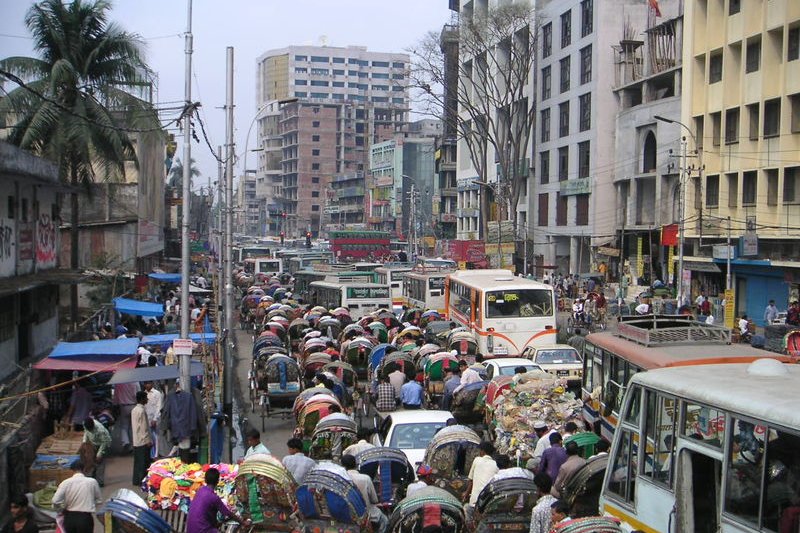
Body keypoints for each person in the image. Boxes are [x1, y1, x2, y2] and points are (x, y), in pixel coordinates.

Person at [186, 468, 250, 533]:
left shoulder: (200, 491)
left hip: (190, 529)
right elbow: (228, 513)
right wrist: (243, 522)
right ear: (217, 481)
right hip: (203, 530)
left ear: (205, 480)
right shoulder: (214, 497)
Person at [52, 459, 102, 533]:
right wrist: (90, 503)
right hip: (85, 518)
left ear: (72, 470)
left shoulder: (65, 483)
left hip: (69, 518)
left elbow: (55, 501)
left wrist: (60, 510)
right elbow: (99, 500)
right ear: (84, 469)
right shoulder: (92, 482)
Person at [342, 455, 388, 533]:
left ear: (343, 466)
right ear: (356, 464)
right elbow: (374, 500)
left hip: (346, 516)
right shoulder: (365, 478)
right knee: (385, 521)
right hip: (367, 516)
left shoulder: (340, 478)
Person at [464, 442, 499, 510]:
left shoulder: (477, 460)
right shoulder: (496, 464)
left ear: (482, 451)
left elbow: (471, 481)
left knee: (467, 508)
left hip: (475, 502)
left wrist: (466, 495)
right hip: (488, 502)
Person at [81, 417, 111, 486]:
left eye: (91, 429)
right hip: (94, 443)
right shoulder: (85, 424)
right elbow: (86, 432)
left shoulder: (100, 430)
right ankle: (92, 477)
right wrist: (85, 442)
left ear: (93, 426)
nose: (90, 431)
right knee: (92, 460)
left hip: (103, 443)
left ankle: (100, 482)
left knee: (100, 462)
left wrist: (100, 454)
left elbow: (104, 443)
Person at [131, 390, 152, 487]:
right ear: (142, 399)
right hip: (142, 441)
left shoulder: (134, 410)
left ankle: (136, 480)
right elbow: (144, 427)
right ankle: (142, 480)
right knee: (144, 462)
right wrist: (147, 440)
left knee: (137, 461)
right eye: (146, 398)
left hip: (136, 439)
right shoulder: (142, 411)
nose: (147, 399)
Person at [112, 381, 139, 452]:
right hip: (134, 405)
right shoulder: (135, 381)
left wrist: (115, 405)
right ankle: (134, 444)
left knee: (124, 426)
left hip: (124, 406)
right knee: (133, 426)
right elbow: (138, 394)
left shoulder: (119, 383)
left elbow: (116, 396)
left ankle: (126, 442)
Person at [143, 381, 163, 456]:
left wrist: (155, 419)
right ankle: (150, 453)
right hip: (147, 419)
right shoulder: (144, 394)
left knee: (156, 436)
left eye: (148, 383)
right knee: (148, 436)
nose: (147, 385)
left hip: (155, 418)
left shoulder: (157, 393)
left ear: (152, 384)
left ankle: (155, 454)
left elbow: (159, 406)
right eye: (146, 384)